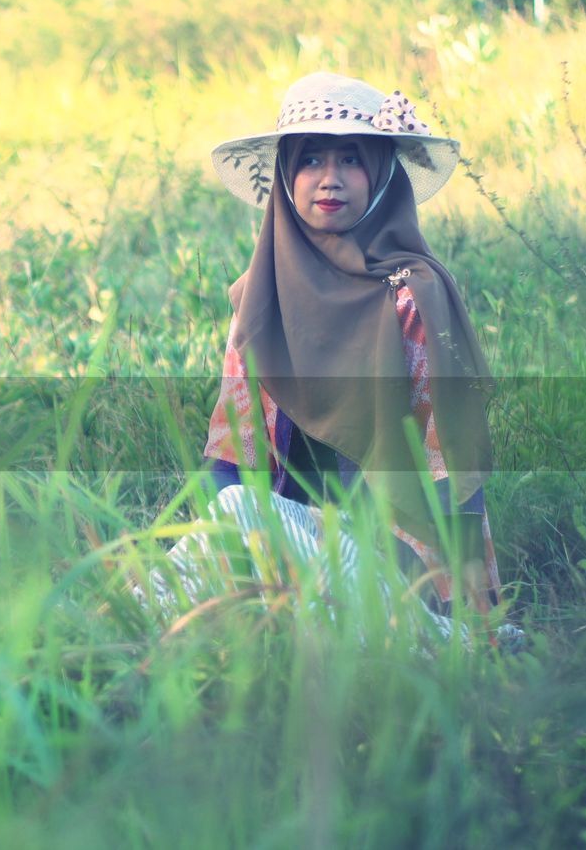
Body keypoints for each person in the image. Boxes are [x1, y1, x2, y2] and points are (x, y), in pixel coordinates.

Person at [146, 72, 523, 650]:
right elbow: (231, 459)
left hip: (396, 574)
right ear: (285, 176)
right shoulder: (259, 299)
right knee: (231, 515)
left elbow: (454, 475)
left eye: (351, 159)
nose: (329, 179)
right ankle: (127, 630)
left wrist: (473, 608)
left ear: (378, 174)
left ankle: (446, 640)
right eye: (310, 160)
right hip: (289, 559)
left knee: (238, 512)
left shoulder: (410, 297)